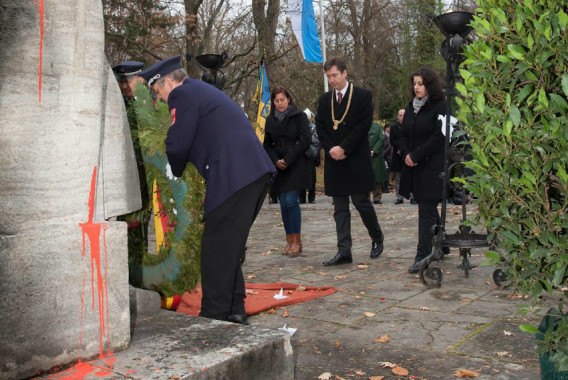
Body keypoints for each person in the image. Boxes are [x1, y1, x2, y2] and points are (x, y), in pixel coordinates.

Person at [139, 56, 275, 325]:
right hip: (249, 174)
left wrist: (173, 167)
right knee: (227, 247)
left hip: (234, 177)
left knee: (215, 250)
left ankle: (213, 317)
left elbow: (178, 143)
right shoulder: (200, 91)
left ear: (168, 82)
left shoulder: (183, 94)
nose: (161, 99)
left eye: (158, 92)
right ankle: (234, 309)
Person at [315, 57, 384, 266]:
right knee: (340, 207)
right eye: (328, 77)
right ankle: (344, 250)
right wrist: (332, 149)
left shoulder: (362, 95)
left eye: (334, 75)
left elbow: (364, 125)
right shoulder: (325, 100)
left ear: (345, 73)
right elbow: (321, 127)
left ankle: (377, 238)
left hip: (356, 158)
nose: (332, 80)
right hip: (335, 160)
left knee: (361, 203)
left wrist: (344, 147)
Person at [399, 66, 447, 274]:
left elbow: (439, 137)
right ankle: (442, 245)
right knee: (428, 208)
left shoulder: (440, 106)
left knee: (426, 210)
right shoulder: (411, 107)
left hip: (432, 166)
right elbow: (403, 133)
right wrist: (407, 154)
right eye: (415, 83)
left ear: (430, 85)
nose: (416, 87)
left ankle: (422, 256)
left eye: (421, 83)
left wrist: (417, 155)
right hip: (414, 166)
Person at [112, 61, 151, 285]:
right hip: (125, 178)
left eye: (129, 81)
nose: (125, 86)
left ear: (140, 80)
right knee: (129, 227)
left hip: (148, 177)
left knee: (143, 225)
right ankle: (132, 274)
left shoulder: (152, 103)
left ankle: (142, 272)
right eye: (121, 82)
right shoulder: (115, 106)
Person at [263, 86, 313, 255]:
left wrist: (289, 159)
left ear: (288, 99)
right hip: (279, 165)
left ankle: (297, 241)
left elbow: (305, 139)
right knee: (284, 204)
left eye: (282, 100)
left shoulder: (299, 116)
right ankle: (289, 240)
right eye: (276, 101)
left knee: (291, 201)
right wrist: (275, 160)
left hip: (296, 163)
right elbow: (267, 145)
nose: (280, 103)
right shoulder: (270, 120)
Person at [368, 121, 388, 204]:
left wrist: (374, 151)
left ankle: (377, 198)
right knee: (364, 178)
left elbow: (381, 139)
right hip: (362, 155)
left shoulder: (378, 127)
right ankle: (365, 197)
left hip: (376, 156)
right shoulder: (358, 125)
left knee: (377, 178)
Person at [390, 109, 406, 204]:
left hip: (407, 154)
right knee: (398, 177)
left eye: (403, 115)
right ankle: (399, 197)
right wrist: (400, 148)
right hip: (397, 154)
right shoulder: (394, 127)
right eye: (400, 115)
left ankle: (412, 196)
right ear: (397, 116)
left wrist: (404, 148)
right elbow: (392, 141)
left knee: (409, 176)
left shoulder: (410, 125)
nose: (402, 117)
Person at [382, 123, 393, 193]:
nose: (389, 128)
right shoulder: (383, 136)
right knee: (385, 173)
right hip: (384, 157)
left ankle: (387, 186)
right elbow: (386, 147)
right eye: (387, 127)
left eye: (390, 127)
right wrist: (383, 154)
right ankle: (385, 188)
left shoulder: (391, 136)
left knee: (389, 172)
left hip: (390, 157)